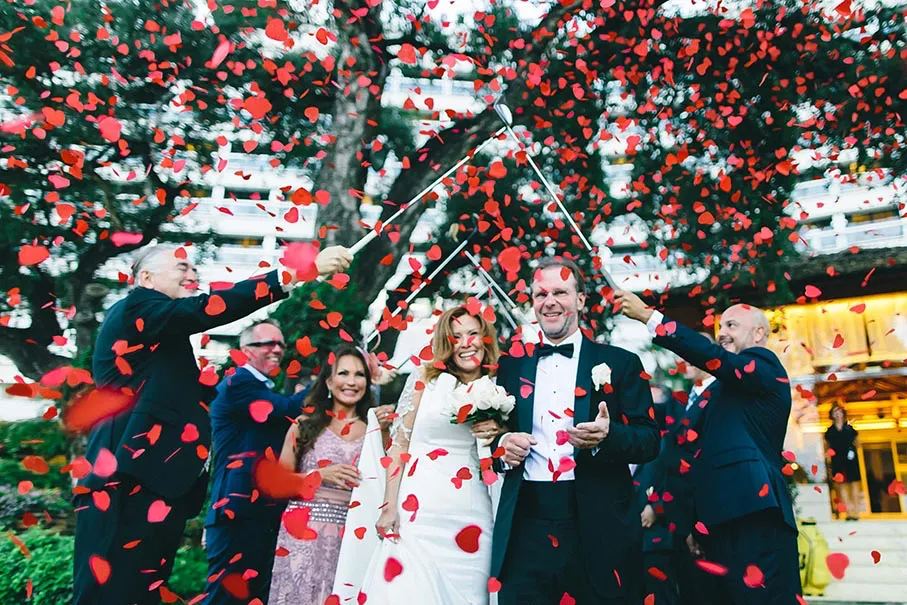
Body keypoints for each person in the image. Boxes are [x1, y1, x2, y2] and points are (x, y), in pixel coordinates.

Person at [72, 242, 351, 605]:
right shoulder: (135, 307)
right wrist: (300, 272)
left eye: (193, 269)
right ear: (146, 277)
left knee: (139, 593)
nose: (192, 275)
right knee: (110, 594)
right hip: (127, 483)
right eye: (182, 268)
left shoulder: (161, 336)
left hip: (157, 486)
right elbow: (204, 310)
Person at [615, 290, 802, 604]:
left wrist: (650, 317)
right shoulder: (713, 394)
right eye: (721, 327)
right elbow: (678, 453)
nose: (722, 333)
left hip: (752, 515)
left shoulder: (764, 365)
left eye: (732, 325)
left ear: (759, 333)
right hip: (710, 525)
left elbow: (716, 359)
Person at [493, 257, 660, 605]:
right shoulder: (510, 366)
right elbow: (492, 437)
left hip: (598, 525)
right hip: (526, 525)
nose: (549, 301)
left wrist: (608, 436)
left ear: (581, 300)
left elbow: (649, 441)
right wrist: (503, 444)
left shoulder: (621, 363)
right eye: (540, 294)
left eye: (560, 292)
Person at [334, 305, 505, 605]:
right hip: (418, 512)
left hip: (472, 514)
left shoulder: (499, 386)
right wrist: (389, 505)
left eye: (472, 334)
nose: (466, 343)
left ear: (485, 337)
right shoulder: (425, 381)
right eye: (455, 337)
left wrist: (498, 429)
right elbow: (400, 444)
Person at [268, 345, 392, 605]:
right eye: (343, 373)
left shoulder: (375, 429)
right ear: (328, 381)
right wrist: (318, 475)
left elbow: (387, 481)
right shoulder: (304, 425)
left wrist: (384, 432)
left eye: (359, 375)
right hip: (303, 532)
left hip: (352, 535)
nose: (351, 381)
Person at [202, 320, 306, 603]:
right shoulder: (239, 383)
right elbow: (286, 410)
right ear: (245, 350)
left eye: (281, 344)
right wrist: (332, 380)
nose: (277, 350)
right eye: (268, 343)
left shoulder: (261, 388)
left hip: (260, 510)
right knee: (225, 596)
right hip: (238, 509)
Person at [633, 340, 716, 605]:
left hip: (686, 524)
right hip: (665, 529)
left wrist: (657, 505)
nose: (687, 360)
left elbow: (690, 466)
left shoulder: (711, 400)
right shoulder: (680, 403)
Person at [825, 404, 861, 521]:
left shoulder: (850, 429)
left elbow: (858, 443)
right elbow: (827, 447)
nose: (837, 414)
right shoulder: (830, 431)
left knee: (854, 485)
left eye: (839, 411)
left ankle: (856, 512)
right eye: (835, 412)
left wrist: (853, 451)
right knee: (842, 486)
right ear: (832, 415)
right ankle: (848, 512)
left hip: (850, 460)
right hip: (837, 461)